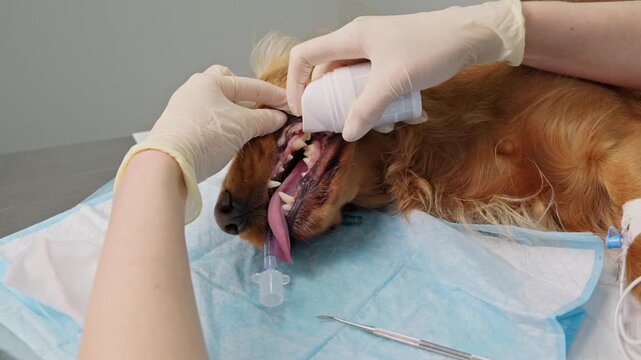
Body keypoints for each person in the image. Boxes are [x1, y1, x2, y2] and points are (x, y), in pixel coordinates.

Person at [79, 1, 641, 359]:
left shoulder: (500, 99)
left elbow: (620, 147)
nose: (228, 211)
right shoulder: (418, 196)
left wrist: (157, 164)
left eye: (267, 134)